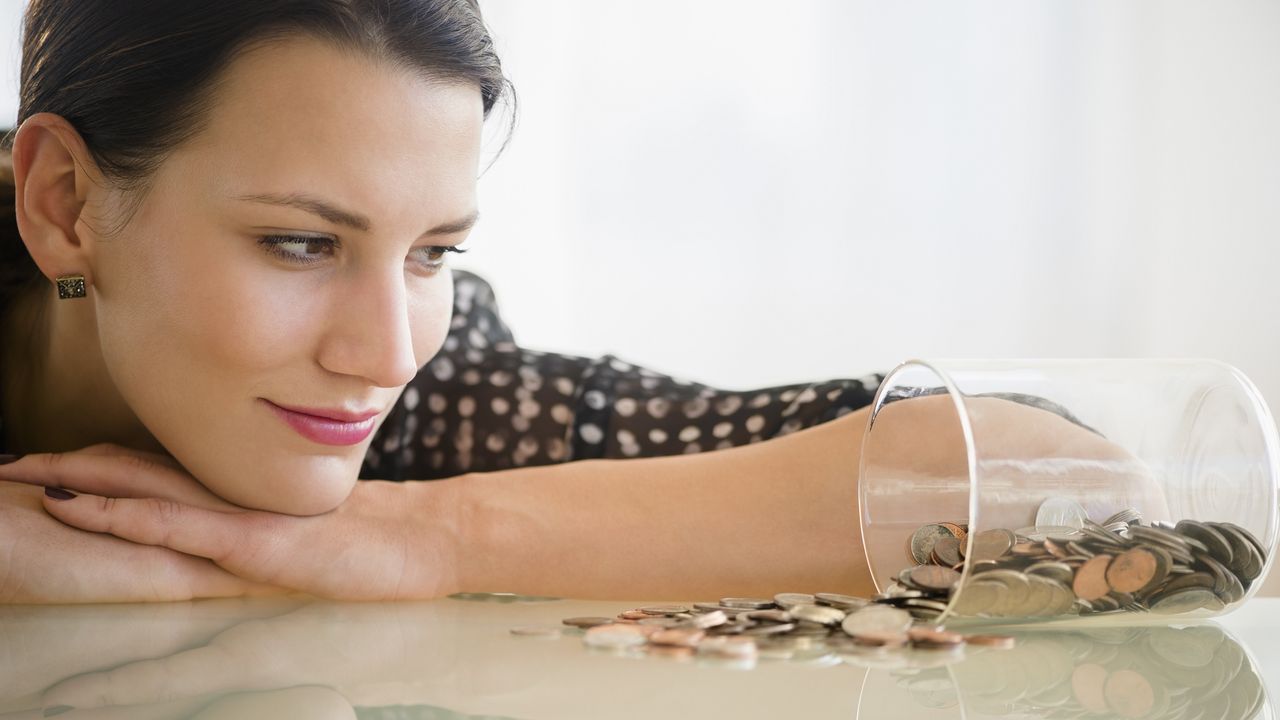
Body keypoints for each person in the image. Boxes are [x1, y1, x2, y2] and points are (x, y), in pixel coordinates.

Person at [0, 0, 1153, 605]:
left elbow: (1077, 491)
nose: (386, 353)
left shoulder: (451, 403)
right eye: (300, 244)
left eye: (432, 252)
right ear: (62, 203)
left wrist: (426, 538)